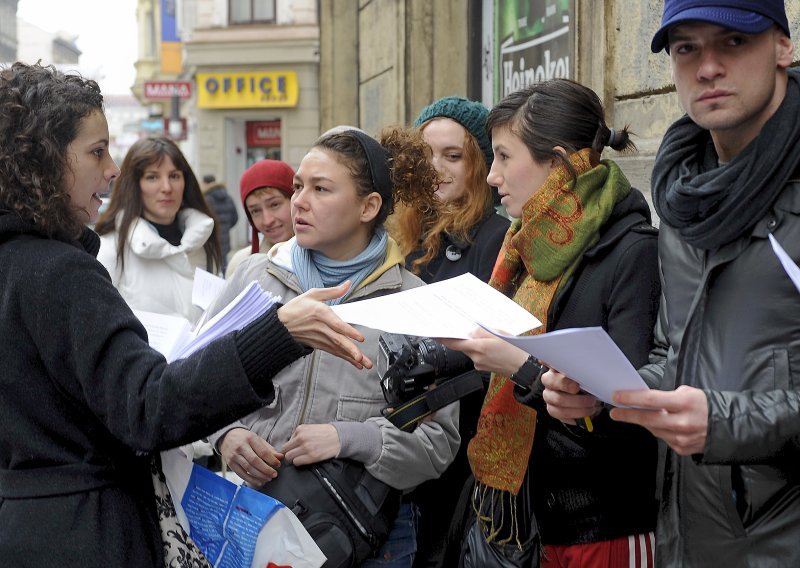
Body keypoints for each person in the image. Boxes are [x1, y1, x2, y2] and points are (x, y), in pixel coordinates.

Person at [0, 61, 371, 567]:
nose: (112, 168)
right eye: (96, 151)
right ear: (44, 159)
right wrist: (277, 334)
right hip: (85, 532)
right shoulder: (60, 273)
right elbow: (149, 407)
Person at [585, 1, 799, 566]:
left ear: (783, 47)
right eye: (687, 49)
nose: (707, 68)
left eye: (733, 42)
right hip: (689, 533)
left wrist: (726, 423)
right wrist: (609, 389)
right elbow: (675, 354)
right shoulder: (683, 198)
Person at [205, 128, 461, 567]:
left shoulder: (414, 303)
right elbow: (195, 379)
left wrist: (351, 438)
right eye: (299, 186)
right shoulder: (255, 278)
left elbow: (438, 443)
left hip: (368, 540)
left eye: (320, 189)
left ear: (368, 206)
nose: (298, 201)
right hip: (256, 519)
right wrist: (226, 436)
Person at [439, 79, 661, 567]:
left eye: (502, 156)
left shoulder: (632, 250)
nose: (492, 176)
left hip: (599, 528)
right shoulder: (523, 244)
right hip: (523, 522)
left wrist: (519, 366)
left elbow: (632, 417)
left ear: (559, 164)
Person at [388, 96, 510, 568]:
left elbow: (500, 350)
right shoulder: (399, 236)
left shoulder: (497, 238)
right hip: (402, 447)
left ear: (480, 164)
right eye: (425, 156)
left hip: (464, 448)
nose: (435, 168)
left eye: (453, 156)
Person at [95, 136, 222, 322]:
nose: (167, 187)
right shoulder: (109, 250)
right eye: (152, 177)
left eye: (174, 176)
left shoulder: (203, 241)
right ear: (134, 186)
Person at [225, 158, 295, 278]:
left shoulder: (328, 258)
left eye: (274, 204)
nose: (267, 220)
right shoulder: (240, 265)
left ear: (295, 200)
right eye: (255, 211)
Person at [201, 173, 239, 272]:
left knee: (211, 270)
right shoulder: (228, 197)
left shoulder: (206, 199)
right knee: (224, 269)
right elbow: (235, 218)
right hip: (225, 240)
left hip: (211, 240)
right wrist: (225, 228)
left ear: (205, 183)